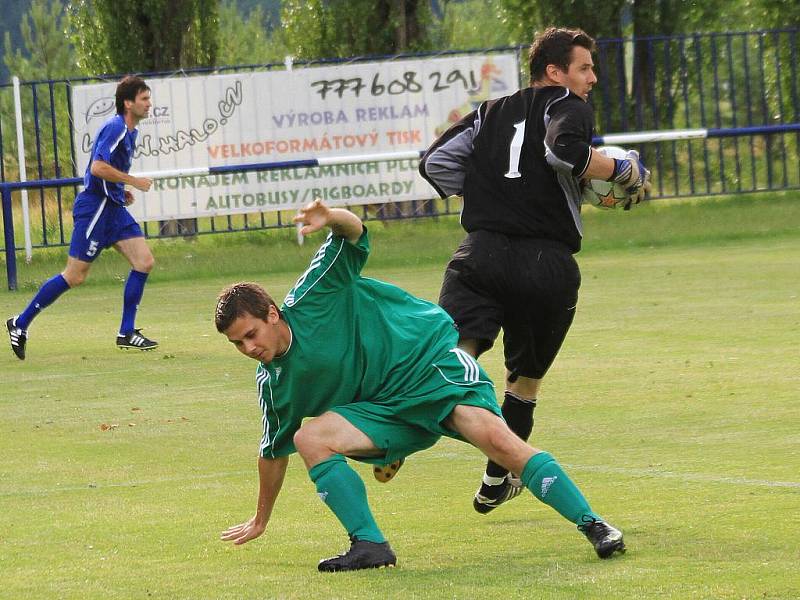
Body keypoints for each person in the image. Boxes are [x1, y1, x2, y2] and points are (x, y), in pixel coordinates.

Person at [215, 199, 625, 572]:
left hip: (428, 366)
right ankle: (370, 545)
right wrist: (260, 518)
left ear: (272, 314)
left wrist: (332, 217)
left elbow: (353, 232)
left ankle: (594, 524)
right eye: (237, 343)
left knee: (500, 445)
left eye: (251, 334)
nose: (248, 347)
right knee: (310, 438)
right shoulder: (273, 383)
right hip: (385, 408)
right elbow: (272, 453)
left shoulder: (314, 294)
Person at [418, 27, 651, 513]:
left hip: (478, 256)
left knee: (454, 363)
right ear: (555, 72)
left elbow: (434, 164)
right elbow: (564, 152)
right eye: (585, 67)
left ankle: (401, 441)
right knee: (523, 383)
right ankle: (496, 475)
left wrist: (493, 189)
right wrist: (622, 171)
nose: (592, 78)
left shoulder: (488, 112)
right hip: (545, 263)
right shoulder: (566, 102)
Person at [6, 76, 158, 360]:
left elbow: (102, 171)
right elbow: (98, 167)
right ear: (128, 103)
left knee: (144, 261)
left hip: (111, 206)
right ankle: (20, 323)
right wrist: (132, 181)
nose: (149, 104)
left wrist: (119, 189)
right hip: (96, 209)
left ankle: (126, 332)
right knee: (74, 275)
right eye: (144, 99)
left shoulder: (130, 131)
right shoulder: (116, 128)